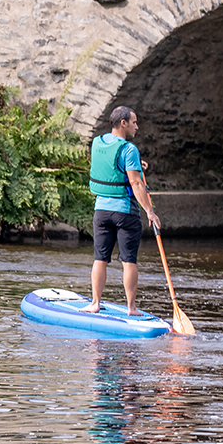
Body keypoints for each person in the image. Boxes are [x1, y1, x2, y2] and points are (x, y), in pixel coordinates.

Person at [83, 106, 161, 315]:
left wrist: (137, 165)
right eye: (134, 122)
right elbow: (136, 184)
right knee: (128, 261)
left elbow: (111, 168)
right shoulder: (129, 149)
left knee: (100, 259)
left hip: (101, 211)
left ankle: (95, 303)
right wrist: (150, 211)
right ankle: (131, 308)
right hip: (125, 212)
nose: (137, 126)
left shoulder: (97, 143)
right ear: (123, 123)